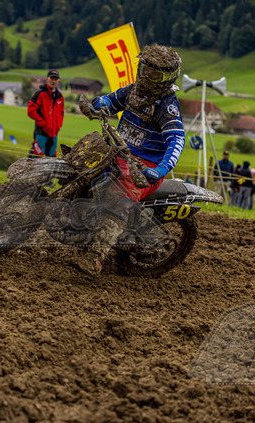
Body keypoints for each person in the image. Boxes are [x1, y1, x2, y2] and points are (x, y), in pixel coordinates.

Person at [75, 43, 185, 275]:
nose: (146, 74)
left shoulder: (167, 106)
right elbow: (110, 101)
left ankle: (94, 258)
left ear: (166, 78)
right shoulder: (133, 91)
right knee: (81, 164)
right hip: (118, 151)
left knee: (118, 198)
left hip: (144, 167)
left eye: (154, 73)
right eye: (145, 68)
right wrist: (98, 104)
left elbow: (176, 140)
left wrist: (161, 169)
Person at [27, 69, 64, 157]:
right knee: (37, 158)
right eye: (51, 78)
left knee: (52, 159)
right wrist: (42, 123)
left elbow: (61, 114)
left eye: (55, 79)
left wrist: (58, 126)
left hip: (54, 133)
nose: (53, 81)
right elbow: (31, 111)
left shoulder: (60, 96)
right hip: (41, 132)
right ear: (47, 79)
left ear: (58, 81)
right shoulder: (40, 94)